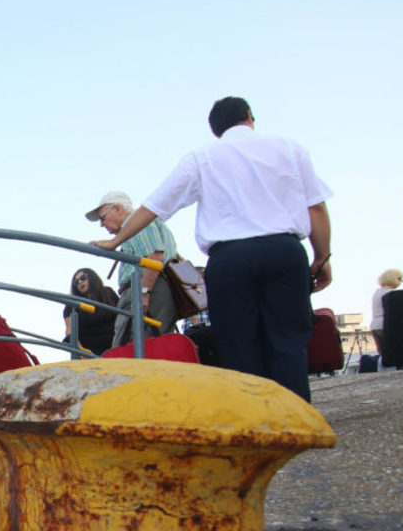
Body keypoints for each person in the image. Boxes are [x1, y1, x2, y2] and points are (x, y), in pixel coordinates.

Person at [94, 96, 332, 402]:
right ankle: (296, 415)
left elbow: (153, 205)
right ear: (249, 116)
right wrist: (322, 256)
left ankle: (255, 419)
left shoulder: (201, 158)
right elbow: (317, 210)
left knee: (238, 341)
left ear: (215, 130)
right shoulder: (289, 148)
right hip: (283, 249)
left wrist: (115, 241)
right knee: (288, 337)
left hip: (230, 258)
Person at [85, 190, 180, 347]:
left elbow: (154, 257)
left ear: (118, 208)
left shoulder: (137, 223)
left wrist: (144, 293)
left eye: (102, 218)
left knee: (136, 345)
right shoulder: (147, 225)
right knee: (153, 342)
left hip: (146, 288)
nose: (101, 224)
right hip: (156, 286)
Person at [63, 267, 119, 355]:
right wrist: (82, 354)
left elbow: (123, 317)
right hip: (89, 354)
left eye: (82, 278)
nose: (80, 282)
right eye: (76, 282)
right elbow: (70, 332)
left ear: (92, 277)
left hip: (115, 348)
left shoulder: (108, 293)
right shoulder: (72, 304)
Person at [371, 268, 403, 355]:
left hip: (374, 325)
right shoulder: (390, 293)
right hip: (385, 325)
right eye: (400, 279)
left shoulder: (377, 292)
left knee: (382, 353)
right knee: (393, 352)